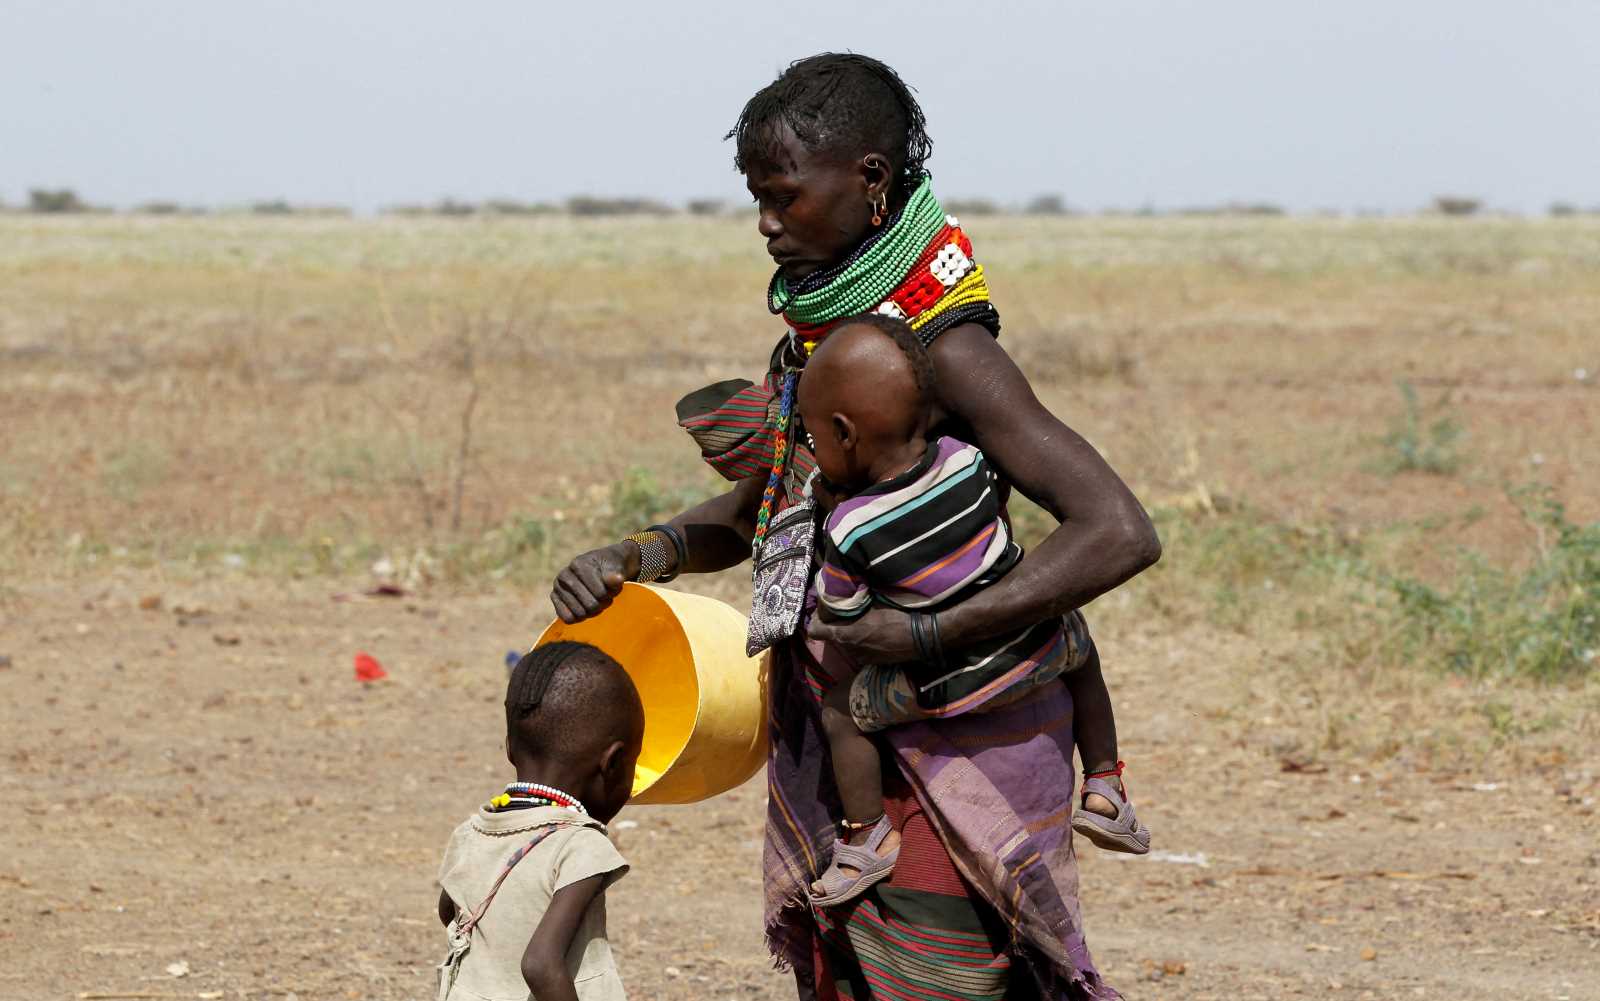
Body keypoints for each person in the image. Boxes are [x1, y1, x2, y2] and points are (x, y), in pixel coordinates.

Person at [551, 53, 1160, 1000]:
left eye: (784, 196)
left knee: (946, 977)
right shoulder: (823, 339)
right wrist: (645, 553)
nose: (765, 225)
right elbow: (785, 507)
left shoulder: (945, 349)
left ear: (871, 181)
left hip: (958, 732)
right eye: (756, 198)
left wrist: (926, 632)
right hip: (853, 733)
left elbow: (1118, 528)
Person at [797, 316, 1150, 907]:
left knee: (841, 714)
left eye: (814, 439)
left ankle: (866, 837)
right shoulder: (967, 459)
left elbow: (844, 614)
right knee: (1081, 643)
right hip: (1036, 651)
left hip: (944, 683)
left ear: (844, 433)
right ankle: (1106, 785)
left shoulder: (849, 526)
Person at [435, 641, 644, 1001]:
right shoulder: (581, 846)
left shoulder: (472, 832)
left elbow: (448, 911)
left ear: (510, 747)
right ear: (612, 764)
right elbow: (541, 965)